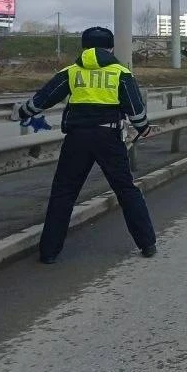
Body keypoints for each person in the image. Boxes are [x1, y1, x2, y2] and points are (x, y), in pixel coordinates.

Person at [15, 27, 157, 264]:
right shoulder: (121, 73)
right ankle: (147, 244)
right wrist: (144, 129)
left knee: (64, 192)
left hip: (77, 138)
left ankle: (49, 252)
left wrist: (22, 113)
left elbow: (43, 99)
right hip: (109, 138)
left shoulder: (71, 72)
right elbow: (135, 109)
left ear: (84, 47)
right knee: (126, 190)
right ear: (111, 48)